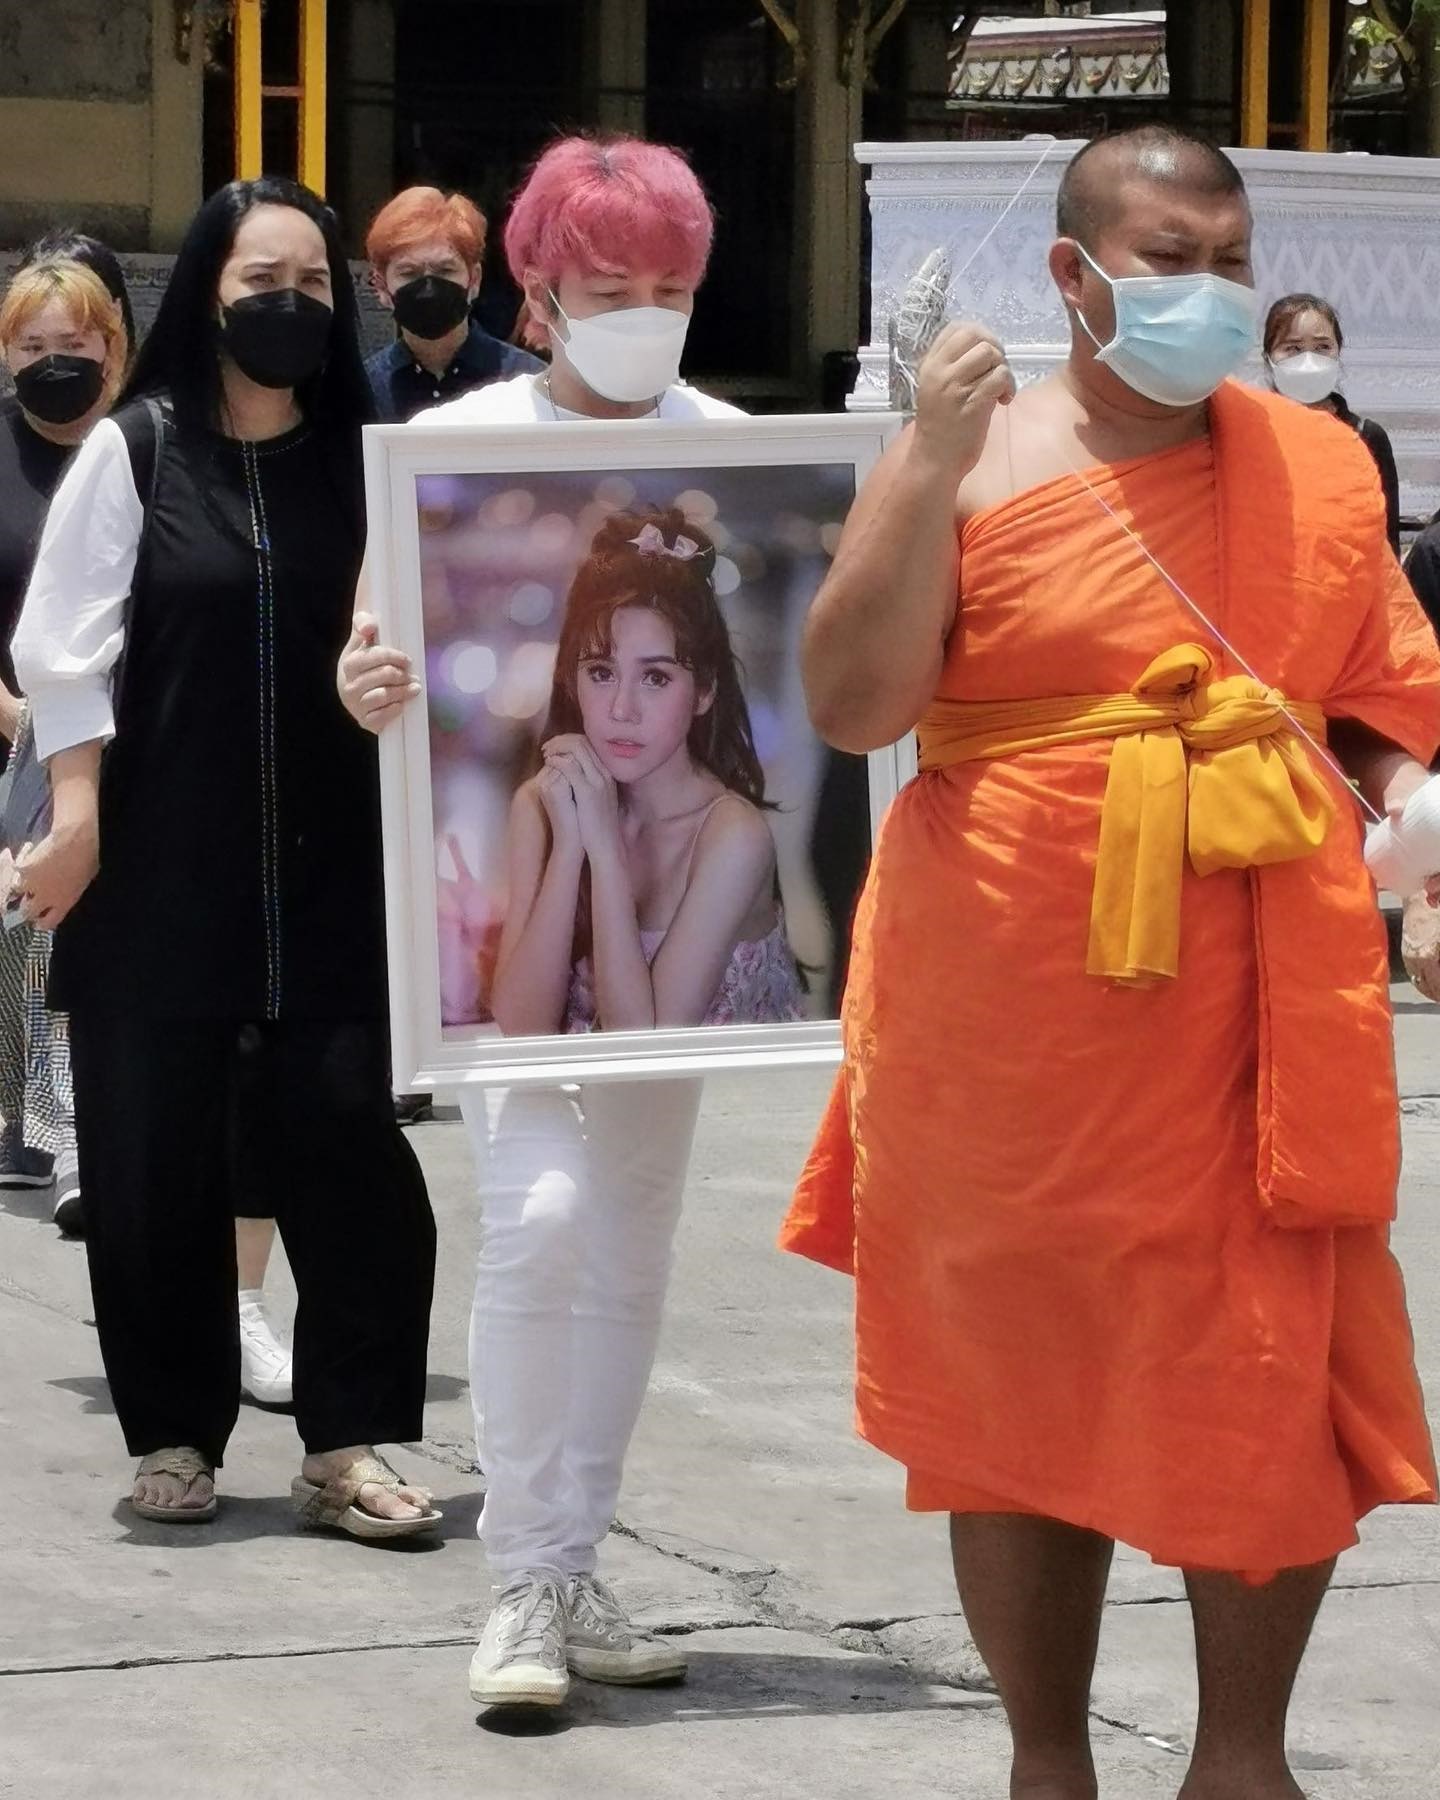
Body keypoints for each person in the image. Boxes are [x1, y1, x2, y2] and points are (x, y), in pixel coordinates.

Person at [780, 126, 1440, 1800]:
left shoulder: (1317, 469)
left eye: (1231, 261)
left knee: (1262, 1363)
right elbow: (853, 704)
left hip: (1257, 1009)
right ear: (1073, 275)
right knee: (1015, 1382)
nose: (1209, 292)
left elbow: (1376, 693)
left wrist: (1405, 802)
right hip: (1008, 1016)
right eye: (1170, 261)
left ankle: (1242, 1761)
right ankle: (1046, 1757)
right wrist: (923, 459)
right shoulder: (972, 453)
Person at [339, 133, 744, 1710]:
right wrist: (368, 681)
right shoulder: (448, 445)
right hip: (502, 944)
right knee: (543, 1220)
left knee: (630, 1239)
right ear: (541, 290)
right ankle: (518, 1579)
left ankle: (572, 1564)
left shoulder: (737, 445)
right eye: (608, 285)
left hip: (665, 960)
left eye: (670, 288)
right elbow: (375, 653)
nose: (643, 313)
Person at [9, 175, 439, 1535]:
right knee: (154, 1163)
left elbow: (430, 635)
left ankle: (347, 1443)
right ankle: (175, 1437)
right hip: (160, 862)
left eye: (314, 286)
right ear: (207, 293)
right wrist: (76, 816)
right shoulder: (135, 451)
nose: (289, 307)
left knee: (350, 1149)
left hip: (336, 861)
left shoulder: (372, 464)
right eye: (263, 283)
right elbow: (66, 654)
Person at [493, 506, 803, 1040]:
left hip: (725, 1094)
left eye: (655, 677)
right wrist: (570, 845)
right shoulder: (540, 806)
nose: (622, 709)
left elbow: (643, 1048)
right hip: (587, 1096)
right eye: (600, 672)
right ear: (570, 681)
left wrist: (603, 846)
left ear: (703, 692)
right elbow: (522, 1028)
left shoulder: (732, 834)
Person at [0, 246, 130, 1233]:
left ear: (112, 348)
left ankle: (84, 1136)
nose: (56, 361)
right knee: (39, 933)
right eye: (34, 345)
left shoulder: (141, 448)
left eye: (75, 344)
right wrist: (22, 715)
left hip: (133, 735)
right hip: (17, 741)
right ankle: (49, 1128)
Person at [364, 185, 541, 422]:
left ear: (474, 280)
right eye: (409, 273)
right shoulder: (363, 390)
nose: (428, 287)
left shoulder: (529, 382)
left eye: (445, 270)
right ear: (382, 287)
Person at [1264, 292, 1401, 556]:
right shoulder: (1250, 434)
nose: (1309, 360)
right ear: (1268, 357)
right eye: (1293, 348)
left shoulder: (1366, 436)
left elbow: (1386, 542)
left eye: (1322, 347)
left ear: (1338, 353)